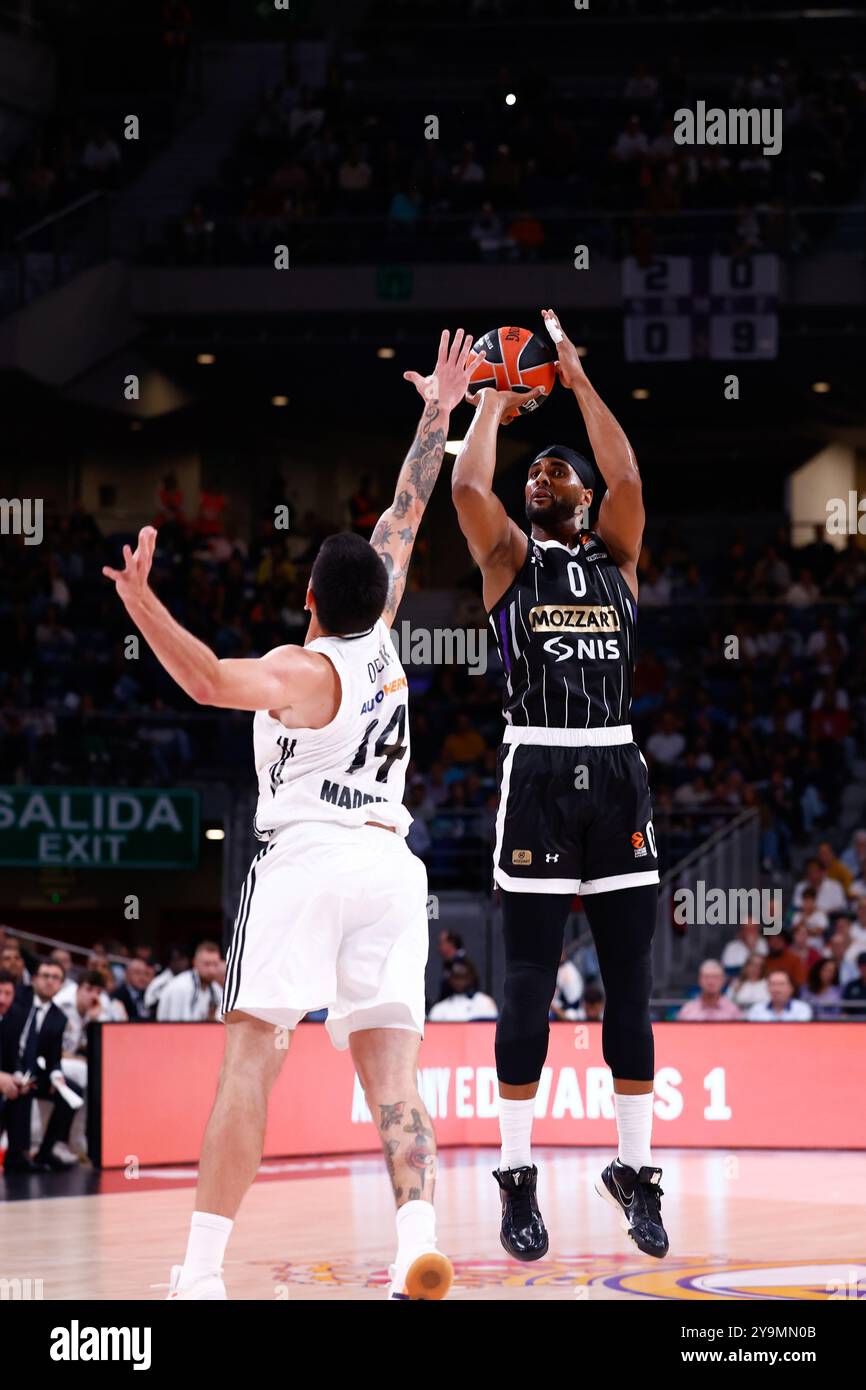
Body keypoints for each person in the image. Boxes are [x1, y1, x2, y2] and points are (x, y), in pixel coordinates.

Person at [103, 328, 480, 1302]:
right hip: (393, 868)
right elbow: (408, 503)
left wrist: (142, 602)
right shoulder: (383, 637)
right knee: (392, 1085)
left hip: (307, 858)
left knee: (246, 1068)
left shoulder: (298, 668)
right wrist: (437, 410)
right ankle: (415, 1246)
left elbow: (202, 679)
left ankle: (198, 1273)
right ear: (376, 592)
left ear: (309, 597)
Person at [451, 307, 666, 1263]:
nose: (543, 477)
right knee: (529, 990)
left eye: (556, 471)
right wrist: (494, 402)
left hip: (618, 768)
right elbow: (465, 482)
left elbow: (627, 473)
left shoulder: (618, 556)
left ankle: (635, 1169)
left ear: (579, 496)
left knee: (630, 988)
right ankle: (516, 1173)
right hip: (536, 767)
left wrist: (576, 381)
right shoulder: (509, 561)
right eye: (535, 471)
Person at [2, 961, 78, 1171]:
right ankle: (18, 1155)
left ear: (61, 984)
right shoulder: (16, 1001)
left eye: (55, 978)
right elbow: (10, 1043)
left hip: (35, 1072)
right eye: (45, 975)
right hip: (10, 1066)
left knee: (72, 1092)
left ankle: (46, 1152)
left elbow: (54, 1057)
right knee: (21, 1088)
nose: (49, 981)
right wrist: (16, 1072)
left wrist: (56, 1075)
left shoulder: (59, 1017)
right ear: (35, 978)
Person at [156, 942, 224, 1022]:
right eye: (207, 964)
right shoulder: (179, 987)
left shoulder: (217, 990)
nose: (211, 970)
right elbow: (173, 1026)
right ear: (194, 963)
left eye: (215, 965)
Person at [427, 960, 498, 1021]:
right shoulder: (439, 1008)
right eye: (456, 977)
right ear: (450, 979)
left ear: (470, 977)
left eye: (463, 976)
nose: (459, 981)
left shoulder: (484, 1001)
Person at [677, 960, 742, 1021]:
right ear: (699, 980)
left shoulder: (733, 1011)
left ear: (723, 980)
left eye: (715, 977)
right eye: (706, 977)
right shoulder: (687, 1011)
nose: (711, 982)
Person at [747, 971, 812, 1022]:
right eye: (773, 984)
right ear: (767, 988)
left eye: (781, 984)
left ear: (791, 988)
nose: (776, 989)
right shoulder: (757, 1009)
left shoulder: (802, 1009)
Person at [841, 953, 866, 1018]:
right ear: (858, 967)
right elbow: (845, 1011)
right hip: (853, 1023)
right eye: (862, 965)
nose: (864, 968)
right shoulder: (851, 986)